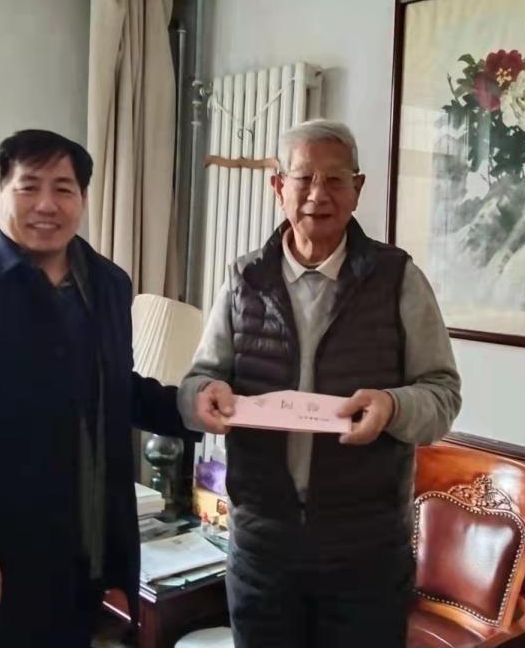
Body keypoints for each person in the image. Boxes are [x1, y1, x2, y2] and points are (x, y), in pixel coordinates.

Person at [0, 129, 193, 647]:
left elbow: (112, 388)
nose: (47, 204)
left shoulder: (108, 284)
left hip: (78, 562)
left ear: (83, 199)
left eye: (64, 189)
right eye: (28, 187)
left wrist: (195, 408)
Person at [179, 119, 462, 648]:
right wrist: (201, 397)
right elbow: (200, 379)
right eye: (304, 178)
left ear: (358, 188)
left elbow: (443, 394)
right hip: (262, 549)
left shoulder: (398, 279)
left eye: (335, 180)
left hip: (365, 553)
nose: (318, 194)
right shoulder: (244, 279)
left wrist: (392, 407)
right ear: (278, 186)